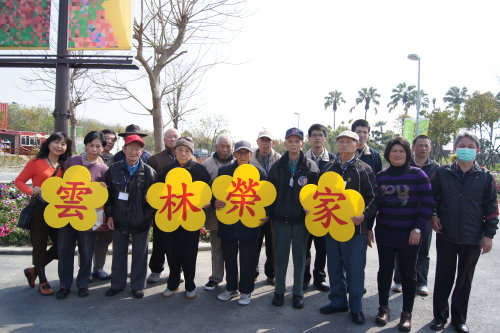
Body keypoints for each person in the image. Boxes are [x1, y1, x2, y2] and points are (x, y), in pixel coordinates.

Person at [429, 131, 498, 333]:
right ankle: (439, 317)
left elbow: (492, 208)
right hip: (446, 235)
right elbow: (430, 199)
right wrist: (433, 215)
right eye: (462, 145)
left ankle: (459, 319)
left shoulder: (485, 176)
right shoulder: (443, 173)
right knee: (443, 277)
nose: (466, 149)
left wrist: (488, 235)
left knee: (464, 280)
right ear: (455, 148)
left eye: (470, 146)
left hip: (473, 237)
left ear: (477, 150)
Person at [374, 137, 434, 332]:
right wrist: (367, 227)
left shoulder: (418, 175)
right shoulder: (381, 176)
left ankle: (406, 314)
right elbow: (374, 204)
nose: (397, 154)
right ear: (388, 154)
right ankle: (383, 308)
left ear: (408, 153)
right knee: (384, 272)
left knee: (409, 275)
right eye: (394, 151)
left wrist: (417, 228)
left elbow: (427, 204)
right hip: (385, 233)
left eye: (401, 151)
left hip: (410, 235)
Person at [319, 130, 377, 325]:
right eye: (341, 141)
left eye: (349, 141)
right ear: (336, 145)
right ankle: (337, 301)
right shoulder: (328, 168)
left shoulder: (364, 169)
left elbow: (374, 198)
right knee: (334, 266)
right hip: (332, 225)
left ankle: (356, 307)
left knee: (354, 269)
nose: (344, 144)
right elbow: (319, 195)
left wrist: (365, 216)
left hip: (355, 229)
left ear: (356, 145)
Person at [14, 132, 72, 296]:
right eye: (56, 142)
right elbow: (19, 181)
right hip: (40, 207)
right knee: (39, 244)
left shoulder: (65, 165)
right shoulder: (35, 162)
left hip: (59, 209)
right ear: (48, 143)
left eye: (63, 144)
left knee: (62, 245)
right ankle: (43, 280)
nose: (59, 146)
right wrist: (31, 190)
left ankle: (34, 270)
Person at [268, 127, 319, 309]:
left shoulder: (311, 168)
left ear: (302, 143)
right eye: (290, 140)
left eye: (297, 141)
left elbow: (317, 195)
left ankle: (297, 293)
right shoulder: (277, 166)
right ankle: (279, 292)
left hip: (300, 222)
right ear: (285, 143)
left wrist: (312, 210)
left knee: (300, 258)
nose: (293, 144)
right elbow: (269, 194)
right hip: (281, 220)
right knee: (280, 258)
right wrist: (269, 214)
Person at [56, 131, 109, 299]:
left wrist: (102, 187)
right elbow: (61, 185)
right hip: (67, 213)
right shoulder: (72, 161)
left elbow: (105, 196)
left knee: (86, 250)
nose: (94, 149)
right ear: (85, 145)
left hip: (88, 216)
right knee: (65, 250)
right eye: (91, 145)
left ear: (103, 148)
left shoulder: (103, 168)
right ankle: (64, 285)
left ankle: (83, 283)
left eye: (98, 146)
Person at [105, 134, 157, 299]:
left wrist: (146, 218)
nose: (134, 152)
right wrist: (109, 215)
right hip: (119, 219)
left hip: (140, 221)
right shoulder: (113, 169)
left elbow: (154, 200)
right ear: (124, 149)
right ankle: (117, 284)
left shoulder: (148, 172)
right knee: (118, 253)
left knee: (140, 254)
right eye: (131, 148)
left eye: (137, 149)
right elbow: (108, 195)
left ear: (142, 151)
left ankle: (137, 285)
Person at [215, 140, 267, 305]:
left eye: (246, 152)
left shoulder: (260, 172)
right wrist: (215, 201)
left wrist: (267, 215)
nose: (243, 155)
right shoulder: (224, 171)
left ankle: (246, 291)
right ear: (234, 154)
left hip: (250, 221)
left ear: (251, 154)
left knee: (248, 258)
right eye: (240, 153)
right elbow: (214, 191)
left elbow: (267, 197)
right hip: (228, 220)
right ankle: (231, 288)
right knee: (229, 257)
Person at [161, 137, 211, 299]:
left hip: (191, 219)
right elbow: (158, 191)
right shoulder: (167, 170)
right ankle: (173, 283)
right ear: (174, 151)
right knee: (172, 251)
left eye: (187, 151)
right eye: (180, 150)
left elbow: (208, 193)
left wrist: (207, 202)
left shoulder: (199, 170)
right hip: (171, 217)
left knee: (190, 252)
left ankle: (190, 284)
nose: (183, 153)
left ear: (192, 152)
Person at [392, 135, 440, 296]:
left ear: (430, 148)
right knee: (400, 247)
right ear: (413, 148)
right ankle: (398, 280)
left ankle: (421, 282)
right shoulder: (405, 165)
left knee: (423, 249)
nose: (423, 148)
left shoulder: (436, 168)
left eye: (426, 146)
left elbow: (438, 194)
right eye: (419, 145)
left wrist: (434, 214)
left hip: (425, 215)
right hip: (404, 213)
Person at [146, 128, 180, 284]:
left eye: (175, 137)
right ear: (164, 140)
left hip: (180, 208)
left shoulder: (186, 158)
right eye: (169, 137)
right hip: (162, 208)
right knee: (159, 241)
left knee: (177, 243)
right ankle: (156, 270)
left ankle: (177, 270)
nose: (172, 139)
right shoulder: (155, 159)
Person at [303, 124, 334, 292]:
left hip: (325, 212)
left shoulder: (333, 160)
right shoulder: (301, 159)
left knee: (322, 248)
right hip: (306, 212)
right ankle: (304, 278)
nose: (317, 138)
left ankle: (319, 278)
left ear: (325, 138)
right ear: (309, 138)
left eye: (320, 135)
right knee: (305, 248)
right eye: (314, 135)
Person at [202, 134, 234, 291]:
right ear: (216, 147)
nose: (225, 149)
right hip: (215, 212)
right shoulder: (207, 164)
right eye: (222, 146)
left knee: (233, 249)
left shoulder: (238, 163)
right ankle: (215, 278)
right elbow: (203, 189)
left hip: (235, 212)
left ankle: (233, 279)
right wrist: (213, 201)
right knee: (217, 247)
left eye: (228, 146)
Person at [250, 129, 281, 285]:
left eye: (268, 140)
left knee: (272, 243)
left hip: (274, 208)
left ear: (273, 142)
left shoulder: (280, 159)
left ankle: (271, 273)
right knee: (254, 241)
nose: (265, 143)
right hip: (254, 206)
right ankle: (253, 272)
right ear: (257, 142)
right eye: (262, 140)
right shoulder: (250, 159)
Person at [91, 129, 118, 281]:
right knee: (88, 238)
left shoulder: (115, 159)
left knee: (104, 238)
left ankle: (98, 268)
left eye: (113, 140)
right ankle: (86, 268)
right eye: (106, 139)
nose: (109, 142)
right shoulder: (90, 158)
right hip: (92, 206)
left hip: (108, 206)